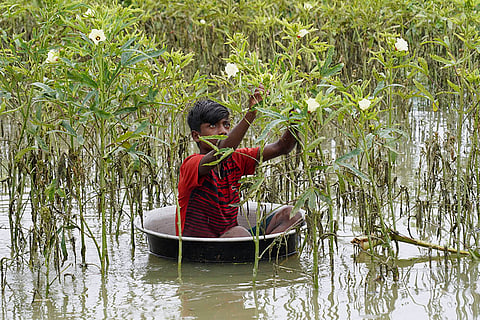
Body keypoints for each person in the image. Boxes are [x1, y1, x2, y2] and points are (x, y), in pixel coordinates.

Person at [177, 86, 302, 237]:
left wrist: (295, 120)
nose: (223, 131)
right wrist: (251, 114)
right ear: (196, 136)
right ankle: (254, 254)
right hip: (200, 245)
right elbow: (219, 155)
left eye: (226, 124)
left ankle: (264, 255)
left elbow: (281, 147)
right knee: (239, 233)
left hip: (236, 240)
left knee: (292, 215)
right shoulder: (191, 165)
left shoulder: (236, 159)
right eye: (212, 126)